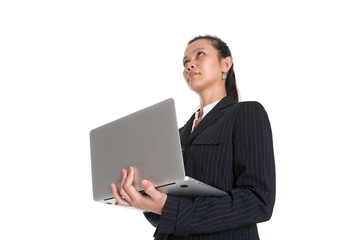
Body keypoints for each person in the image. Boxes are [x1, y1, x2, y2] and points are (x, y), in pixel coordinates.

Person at [110, 35, 276, 240]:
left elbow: (258, 201)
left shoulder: (246, 113)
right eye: (185, 62)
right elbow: (167, 212)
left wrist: (169, 207)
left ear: (226, 63)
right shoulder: (177, 134)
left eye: (200, 55)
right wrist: (143, 201)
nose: (190, 65)